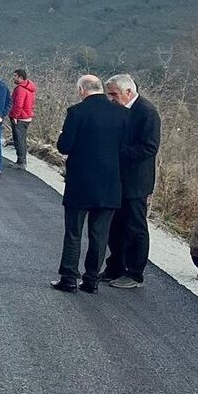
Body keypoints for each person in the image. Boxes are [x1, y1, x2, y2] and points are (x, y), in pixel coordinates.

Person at [50, 75, 129, 294]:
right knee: (100, 235)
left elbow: (64, 146)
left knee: (74, 232)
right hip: (110, 184)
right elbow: (125, 149)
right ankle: (91, 279)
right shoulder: (123, 114)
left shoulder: (76, 112)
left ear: (82, 90)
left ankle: (68, 278)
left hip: (81, 182)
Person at [102, 74, 161, 289]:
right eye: (109, 94)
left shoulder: (147, 112)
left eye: (114, 94)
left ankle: (135, 273)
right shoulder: (119, 109)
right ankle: (115, 265)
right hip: (117, 178)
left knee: (135, 226)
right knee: (115, 225)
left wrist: (117, 151)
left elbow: (150, 147)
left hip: (136, 182)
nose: (111, 99)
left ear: (129, 92)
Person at [9, 69, 37, 169]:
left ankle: (21, 162)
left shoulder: (20, 89)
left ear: (21, 77)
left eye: (15, 76)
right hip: (27, 116)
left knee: (19, 140)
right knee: (22, 140)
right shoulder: (30, 88)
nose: (14, 77)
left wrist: (15, 116)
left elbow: (18, 104)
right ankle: (22, 160)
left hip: (20, 117)